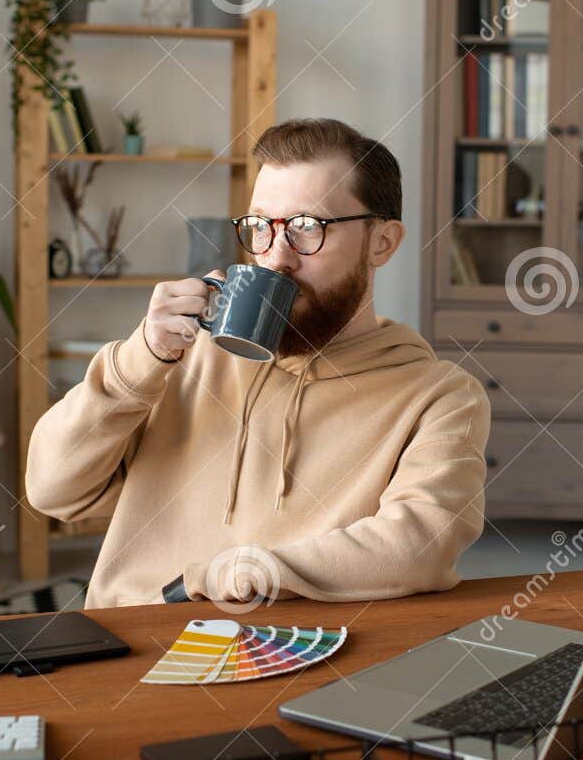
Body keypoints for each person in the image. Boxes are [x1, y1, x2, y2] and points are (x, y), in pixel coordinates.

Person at [26, 118, 491, 608]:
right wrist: (141, 360)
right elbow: (52, 491)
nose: (276, 257)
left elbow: (420, 546)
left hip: (290, 654)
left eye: (307, 228)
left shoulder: (439, 396)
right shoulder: (181, 358)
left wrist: (228, 575)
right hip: (135, 641)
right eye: (261, 227)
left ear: (383, 242)